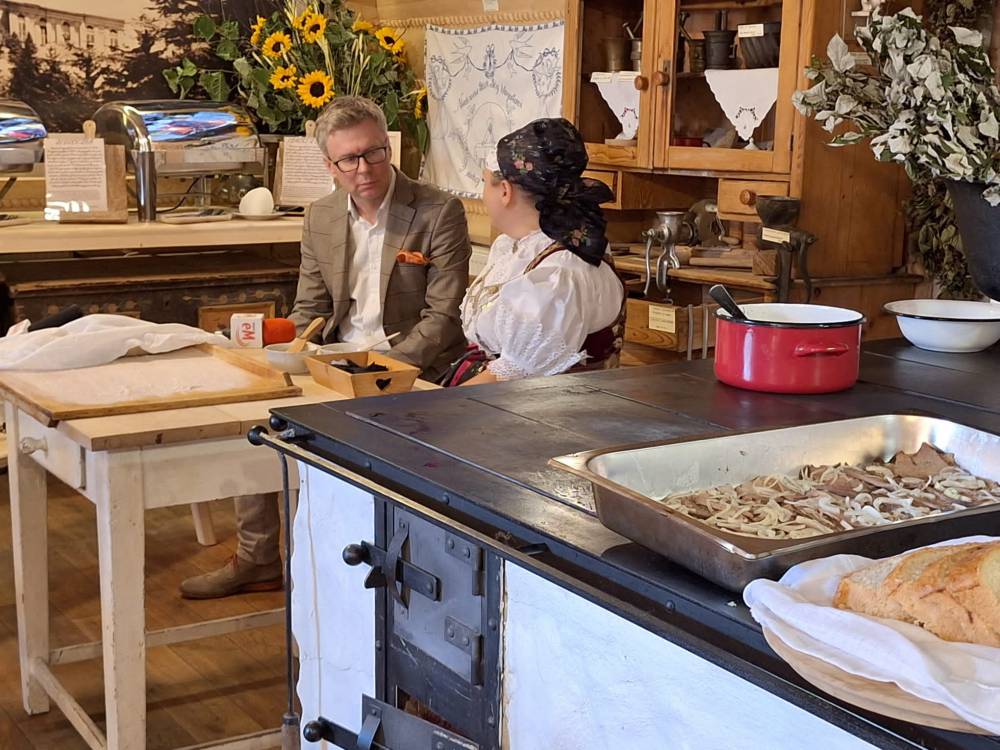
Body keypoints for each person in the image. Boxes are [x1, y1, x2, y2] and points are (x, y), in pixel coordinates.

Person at [180, 96, 471, 599]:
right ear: (329, 166)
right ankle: (257, 557)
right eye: (349, 159)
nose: (365, 169)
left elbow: (441, 320)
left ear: (388, 147)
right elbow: (309, 308)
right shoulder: (320, 215)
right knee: (259, 417)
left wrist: (378, 372)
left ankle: (337, 573)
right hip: (334, 359)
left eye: (374, 153)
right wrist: (286, 355)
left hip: (412, 368)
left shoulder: (438, 210)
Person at [442, 118, 625, 387]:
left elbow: (509, 378)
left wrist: (433, 407)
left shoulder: (559, 272)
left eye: (484, 182)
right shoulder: (517, 249)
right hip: (494, 401)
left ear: (505, 191)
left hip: (540, 410)